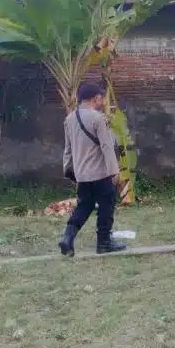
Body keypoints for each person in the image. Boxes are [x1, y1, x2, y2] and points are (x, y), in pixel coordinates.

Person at [59, 83, 127, 256]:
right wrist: (114, 171)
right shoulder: (98, 118)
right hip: (101, 173)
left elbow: (68, 148)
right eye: (102, 98)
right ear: (96, 98)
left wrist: (67, 169)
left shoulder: (69, 119)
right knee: (106, 206)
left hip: (82, 174)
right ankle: (104, 243)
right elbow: (106, 146)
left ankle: (67, 237)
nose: (103, 101)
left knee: (84, 206)